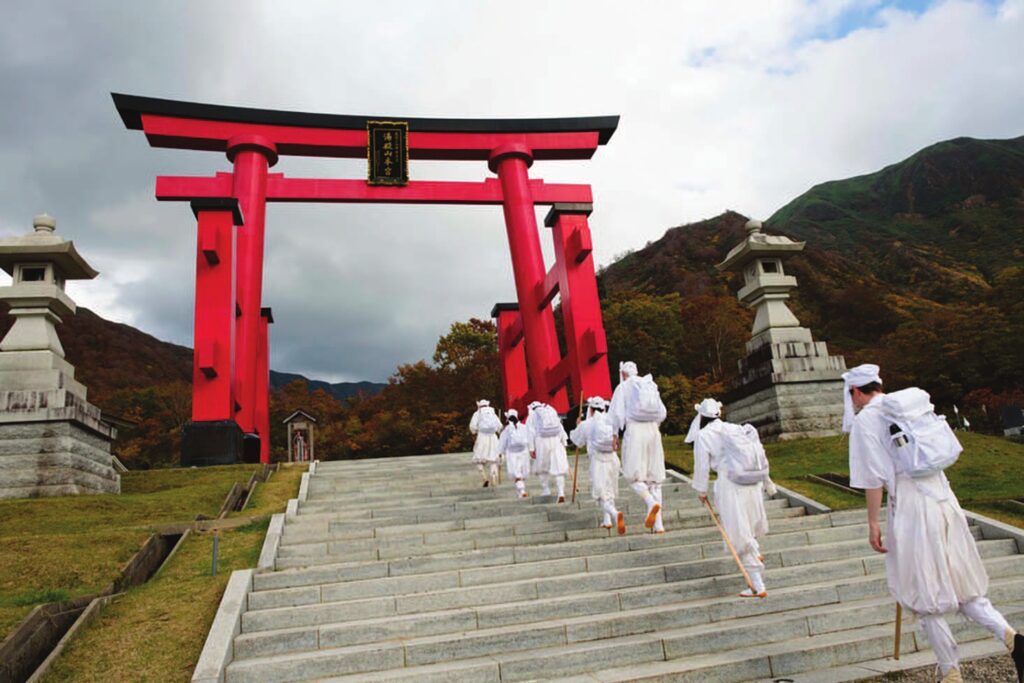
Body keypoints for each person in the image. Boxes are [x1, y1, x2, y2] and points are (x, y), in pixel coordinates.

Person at [844, 363, 1024, 683]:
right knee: (961, 586)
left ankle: (950, 671)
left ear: (856, 392)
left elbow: (873, 478)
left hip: (913, 508)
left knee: (923, 593)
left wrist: (873, 523)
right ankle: (1012, 639)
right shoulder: (908, 407)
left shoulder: (867, 420)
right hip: (943, 498)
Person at [688, 398, 773, 598]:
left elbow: (701, 466)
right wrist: (768, 483)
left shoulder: (704, 435)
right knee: (747, 526)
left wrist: (701, 491)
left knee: (737, 531)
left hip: (730, 484)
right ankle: (756, 552)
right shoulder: (735, 428)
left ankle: (757, 584)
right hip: (751, 483)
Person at [609, 361, 668, 532]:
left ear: (623, 374)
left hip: (634, 430)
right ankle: (659, 525)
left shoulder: (624, 387)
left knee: (633, 476)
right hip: (652, 430)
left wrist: (615, 434)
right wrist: (654, 426)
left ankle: (650, 502)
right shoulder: (649, 384)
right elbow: (662, 413)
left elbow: (616, 414)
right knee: (655, 480)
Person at [570, 396, 625, 534]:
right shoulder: (611, 421)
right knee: (609, 491)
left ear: (591, 409)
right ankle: (607, 520)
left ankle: (614, 513)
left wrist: (578, 425)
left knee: (600, 494)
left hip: (598, 461)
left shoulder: (588, 424)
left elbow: (577, 441)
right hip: (613, 460)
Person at [530, 402, 571, 502]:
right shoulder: (551, 411)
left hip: (541, 441)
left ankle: (546, 489)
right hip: (555, 440)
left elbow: (530, 432)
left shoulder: (532, 415)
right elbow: (560, 428)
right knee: (558, 467)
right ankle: (561, 491)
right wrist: (563, 442)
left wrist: (531, 448)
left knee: (542, 467)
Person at [498, 408, 531, 498]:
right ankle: (520, 493)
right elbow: (529, 439)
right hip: (523, 452)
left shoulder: (507, 430)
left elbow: (502, 443)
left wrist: (500, 453)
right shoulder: (524, 427)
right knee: (521, 472)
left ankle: (522, 490)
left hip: (512, 453)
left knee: (516, 473)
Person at [469, 399, 502, 488]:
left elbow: (473, 427)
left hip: (482, 437)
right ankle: (494, 477)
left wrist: (475, 431)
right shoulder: (493, 413)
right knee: (493, 460)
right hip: (493, 437)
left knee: (478, 458)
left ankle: (484, 477)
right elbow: (499, 426)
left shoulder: (477, 413)